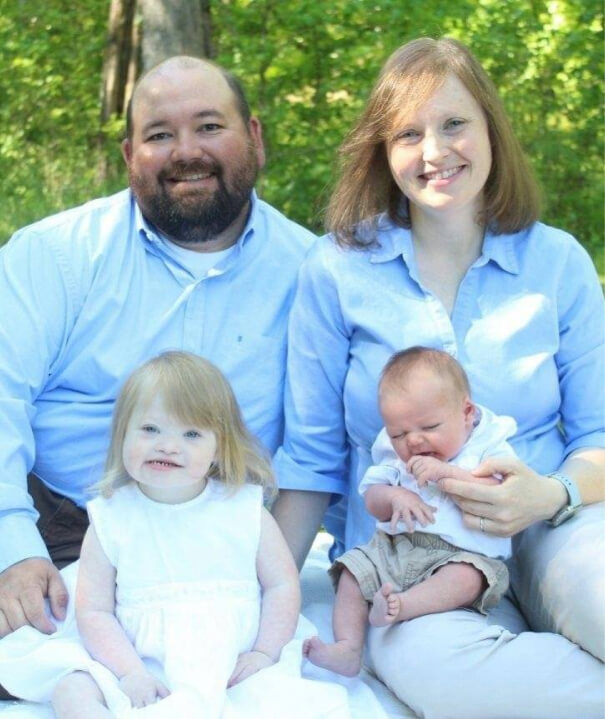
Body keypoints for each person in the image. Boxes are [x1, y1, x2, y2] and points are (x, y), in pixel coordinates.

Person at [273, 36, 605, 717]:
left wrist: (549, 494)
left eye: (454, 123)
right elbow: (310, 458)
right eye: (407, 134)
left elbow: (599, 433)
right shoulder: (334, 269)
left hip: (550, 528)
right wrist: (261, 598)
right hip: (409, 556)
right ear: (382, 150)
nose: (434, 151)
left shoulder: (557, 262)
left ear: (490, 128)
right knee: (450, 680)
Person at [0, 55, 315, 644]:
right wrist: (12, 548)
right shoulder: (54, 255)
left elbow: (325, 443)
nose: (186, 152)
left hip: (225, 542)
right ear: (129, 155)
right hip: (58, 528)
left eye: (209, 126)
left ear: (254, 137)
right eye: (160, 135)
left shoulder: (312, 273)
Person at [0, 352, 350, 719]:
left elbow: (281, 585)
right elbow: (95, 610)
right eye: (150, 429)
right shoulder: (112, 517)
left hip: (234, 657)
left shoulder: (244, 509)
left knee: (273, 699)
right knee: (74, 684)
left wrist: (265, 652)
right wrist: (130, 672)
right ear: (123, 434)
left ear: (219, 448)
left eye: (191, 434)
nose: (167, 445)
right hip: (133, 654)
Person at [303, 347, 516, 676]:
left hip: (461, 554)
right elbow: (372, 498)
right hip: (396, 549)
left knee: (468, 578)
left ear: (467, 413)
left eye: (429, 427)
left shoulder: (487, 446)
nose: (413, 442)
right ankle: (348, 648)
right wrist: (394, 495)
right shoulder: (394, 458)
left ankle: (402, 606)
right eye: (399, 434)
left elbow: (500, 492)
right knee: (352, 574)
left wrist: (448, 474)